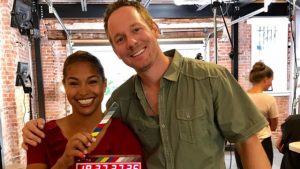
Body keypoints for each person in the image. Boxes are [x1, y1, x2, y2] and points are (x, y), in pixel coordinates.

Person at [22, 1, 271, 169]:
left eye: (136, 29)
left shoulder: (211, 79)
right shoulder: (119, 101)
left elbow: (248, 143)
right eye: (120, 38)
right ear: (115, 49)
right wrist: (35, 128)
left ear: (154, 28)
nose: (131, 42)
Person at [25, 51, 143, 169]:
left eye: (92, 82)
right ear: (64, 86)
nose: (83, 91)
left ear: (104, 84)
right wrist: (63, 163)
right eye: (74, 83)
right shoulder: (40, 135)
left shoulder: (123, 134)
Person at [234, 61, 278, 168]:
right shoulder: (269, 99)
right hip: (263, 142)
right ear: (265, 79)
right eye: (271, 81)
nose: (271, 84)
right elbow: (273, 126)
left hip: (242, 142)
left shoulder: (239, 97)